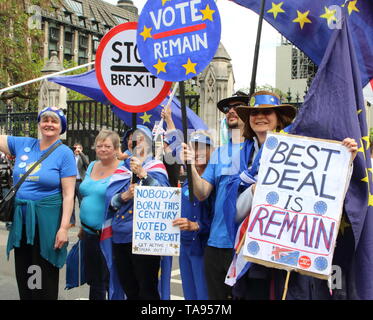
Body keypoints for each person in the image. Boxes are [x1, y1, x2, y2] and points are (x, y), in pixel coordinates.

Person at [228, 91, 358, 299]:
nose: (259, 116)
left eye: (267, 111)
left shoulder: (301, 148)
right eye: (253, 113)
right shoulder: (241, 158)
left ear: (279, 117)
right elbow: (233, 213)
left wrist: (345, 159)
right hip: (255, 255)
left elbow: (327, 185)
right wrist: (255, 190)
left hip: (290, 254)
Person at [0, 106, 76, 300]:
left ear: (61, 127)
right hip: (22, 223)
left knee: (44, 275)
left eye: (54, 121)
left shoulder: (65, 153)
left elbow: (69, 195)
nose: (48, 124)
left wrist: (64, 228)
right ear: (39, 124)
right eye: (45, 120)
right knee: (25, 272)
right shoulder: (24, 143)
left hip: (47, 224)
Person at [181, 92, 249, 300]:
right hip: (214, 246)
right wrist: (191, 165)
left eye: (237, 106)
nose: (231, 110)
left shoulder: (257, 149)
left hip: (242, 245)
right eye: (227, 108)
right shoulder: (219, 153)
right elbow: (202, 193)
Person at [106, 125, 170, 300]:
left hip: (146, 237)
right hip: (122, 235)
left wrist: (143, 174)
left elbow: (165, 196)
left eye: (139, 137)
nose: (133, 141)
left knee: (147, 290)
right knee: (129, 287)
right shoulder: (121, 168)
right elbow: (110, 203)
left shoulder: (155, 166)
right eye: (130, 138)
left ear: (149, 143)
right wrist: (124, 196)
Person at [78, 130, 123, 300]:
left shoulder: (122, 170)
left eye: (107, 146)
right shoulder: (91, 165)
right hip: (88, 233)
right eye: (99, 145)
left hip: (108, 235)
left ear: (116, 148)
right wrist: (82, 226)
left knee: (107, 280)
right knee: (94, 280)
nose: (103, 149)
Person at [173, 130, 215, 300]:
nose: (196, 153)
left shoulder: (215, 178)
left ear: (212, 151)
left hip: (203, 247)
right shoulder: (188, 178)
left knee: (203, 295)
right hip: (185, 245)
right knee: (190, 295)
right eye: (193, 148)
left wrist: (197, 225)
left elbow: (223, 218)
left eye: (202, 148)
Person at [71, 142, 89, 227]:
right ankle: (72, 221)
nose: (76, 150)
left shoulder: (84, 157)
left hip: (80, 181)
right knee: (71, 201)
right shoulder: (70, 157)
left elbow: (87, 163)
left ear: (81, 149)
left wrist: (81, 153)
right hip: (71, 182)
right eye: (75, 148)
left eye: (79, 148)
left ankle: (83, 221)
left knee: (81, 202)